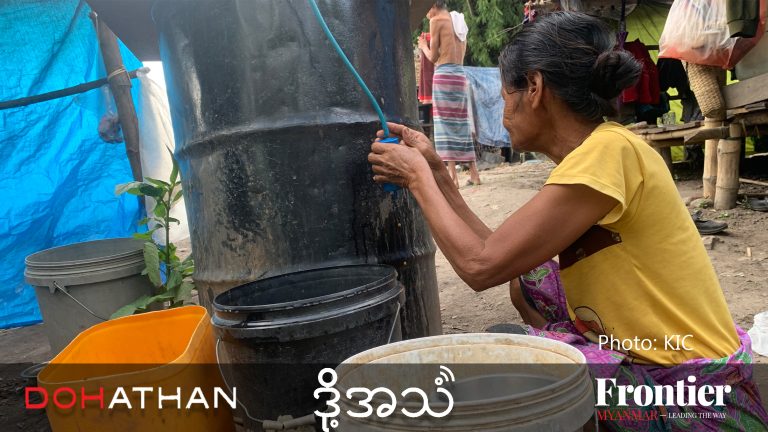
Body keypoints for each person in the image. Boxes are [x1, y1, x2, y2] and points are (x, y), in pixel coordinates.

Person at [369, 12, 767, 430]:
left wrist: (415, 178)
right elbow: (505, 257)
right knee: (530, 278)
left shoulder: (607, 153)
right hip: (668, 364)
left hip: (700, 400)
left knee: (518, 380)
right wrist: (435, 173)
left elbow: (480, 266)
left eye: (506, 94)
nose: (503, 111)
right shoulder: (605, 150)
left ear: (535, 88)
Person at [418, 0, 481, 188]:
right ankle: (474, 173)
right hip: (460, 75)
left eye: (426, 10)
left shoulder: (436, 20)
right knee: (462, 123)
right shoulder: (459, 21)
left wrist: (423, 45)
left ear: (433, 6)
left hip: (444, 75)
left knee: (444, 125)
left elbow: (434, 57)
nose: (427, 14)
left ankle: (452, 176)